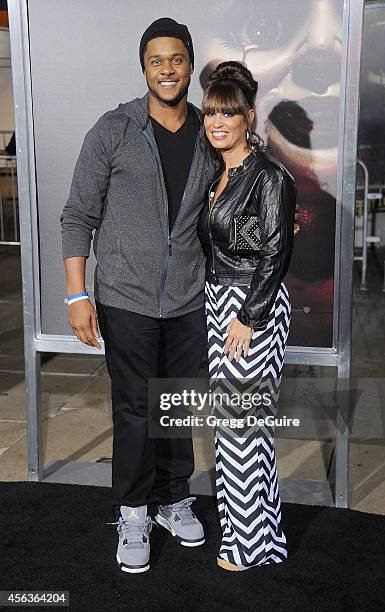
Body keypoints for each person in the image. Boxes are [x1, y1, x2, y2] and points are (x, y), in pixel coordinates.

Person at [60, 18, 217, 574]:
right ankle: (132, 509)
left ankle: (174, 499)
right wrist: (77, 296)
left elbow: (246, 183)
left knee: (174, 406)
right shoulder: (114, 129)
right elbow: (77, 215)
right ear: (144, 67)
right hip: (123, 296)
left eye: (177, 59)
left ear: (190, 64)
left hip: (189, 298)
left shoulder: (210, 130)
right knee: (133, 409)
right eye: (157, 60)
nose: (167, 69)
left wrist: (281, 212)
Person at [197, 61, 297, 571]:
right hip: (221, 304)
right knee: (236, 427)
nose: (217, 122)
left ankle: (250, 547)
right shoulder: (223, 173)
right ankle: (261, 538)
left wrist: (248, 316)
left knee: (241, 430)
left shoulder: (270, 176)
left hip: (249, 308)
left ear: (248, 117)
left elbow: (274, 252)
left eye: (228, 113)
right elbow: (235, 243)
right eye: (211, 112)